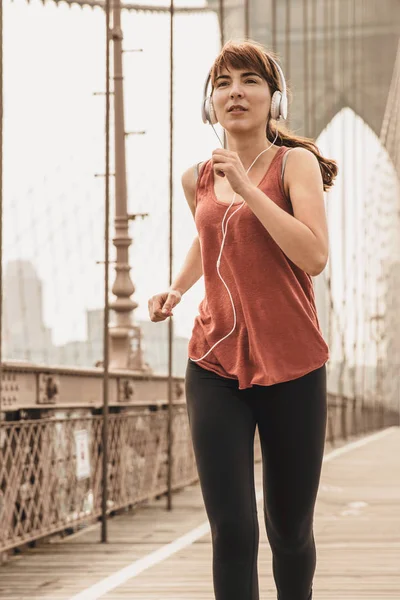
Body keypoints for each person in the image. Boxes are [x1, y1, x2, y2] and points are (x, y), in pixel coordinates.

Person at [148, 39, 337, 600]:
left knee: (289, 529)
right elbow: (212, 238)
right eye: (224, 83)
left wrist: (250, 188)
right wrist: (178, 288)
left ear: (274, 99)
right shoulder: (197, 178)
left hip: (294, 364)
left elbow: (313, 257)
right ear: (211, 103)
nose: (236, 92)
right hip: (215, 362)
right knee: (232, 527)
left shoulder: (294, 164)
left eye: (250, 81)